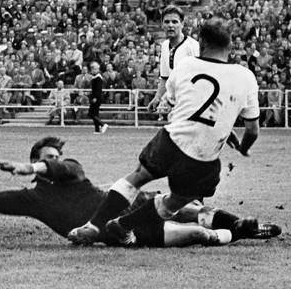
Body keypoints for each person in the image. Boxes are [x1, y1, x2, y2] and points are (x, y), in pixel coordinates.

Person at [68, 18, 263, 246]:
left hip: (171, 140)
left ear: (201, 42)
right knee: (175, 202)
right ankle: (122, 226)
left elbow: (178, 101)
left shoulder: (186, 66)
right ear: (231, 45)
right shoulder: (245, 76)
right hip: (203, 157)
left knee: (138, 177)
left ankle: (94, 225)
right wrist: (243, 147)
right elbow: (252, 129)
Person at [0, 136, 280, 247]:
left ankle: (245, 226)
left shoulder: (72, 172)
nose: (55, 161)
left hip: (133, 208)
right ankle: (236, 232)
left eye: (55, 157)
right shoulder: (31, 200)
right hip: (120, 233)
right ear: (34, 161)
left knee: (187, 206)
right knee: (199, 232)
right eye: (47, 158)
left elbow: (68, 167)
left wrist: (35, 166)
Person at [147, 5, 200, 114]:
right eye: (167, 22)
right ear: (162, 25)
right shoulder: (165, 45)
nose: (170, 25)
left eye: (174, 22)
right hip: (175, 105)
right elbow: (165, 77)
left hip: (192, 105)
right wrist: (157, 98)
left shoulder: (192, 46)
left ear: (182, 24)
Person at [88, 61, 109, 133]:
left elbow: (98, 89)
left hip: (96, 98)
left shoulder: (98, 78)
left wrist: (95, 98)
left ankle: (102, 124)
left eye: (92, 69)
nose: (91, 70)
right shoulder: (96, 77)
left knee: (91, 113)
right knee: (95, 114)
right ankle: (97, 130)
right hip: (96, 97)